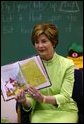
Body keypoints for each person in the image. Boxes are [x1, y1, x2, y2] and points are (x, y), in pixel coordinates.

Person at [15, 23, 78, 123]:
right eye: (36, 42)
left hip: (65, 110)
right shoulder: (29, 66)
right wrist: (24, 101)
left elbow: (65, 96)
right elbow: (30, 100)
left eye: (44, 41)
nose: (40, 46)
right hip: (40, 112)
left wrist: (43, 98)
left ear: (53, 42)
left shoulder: (68, 64)